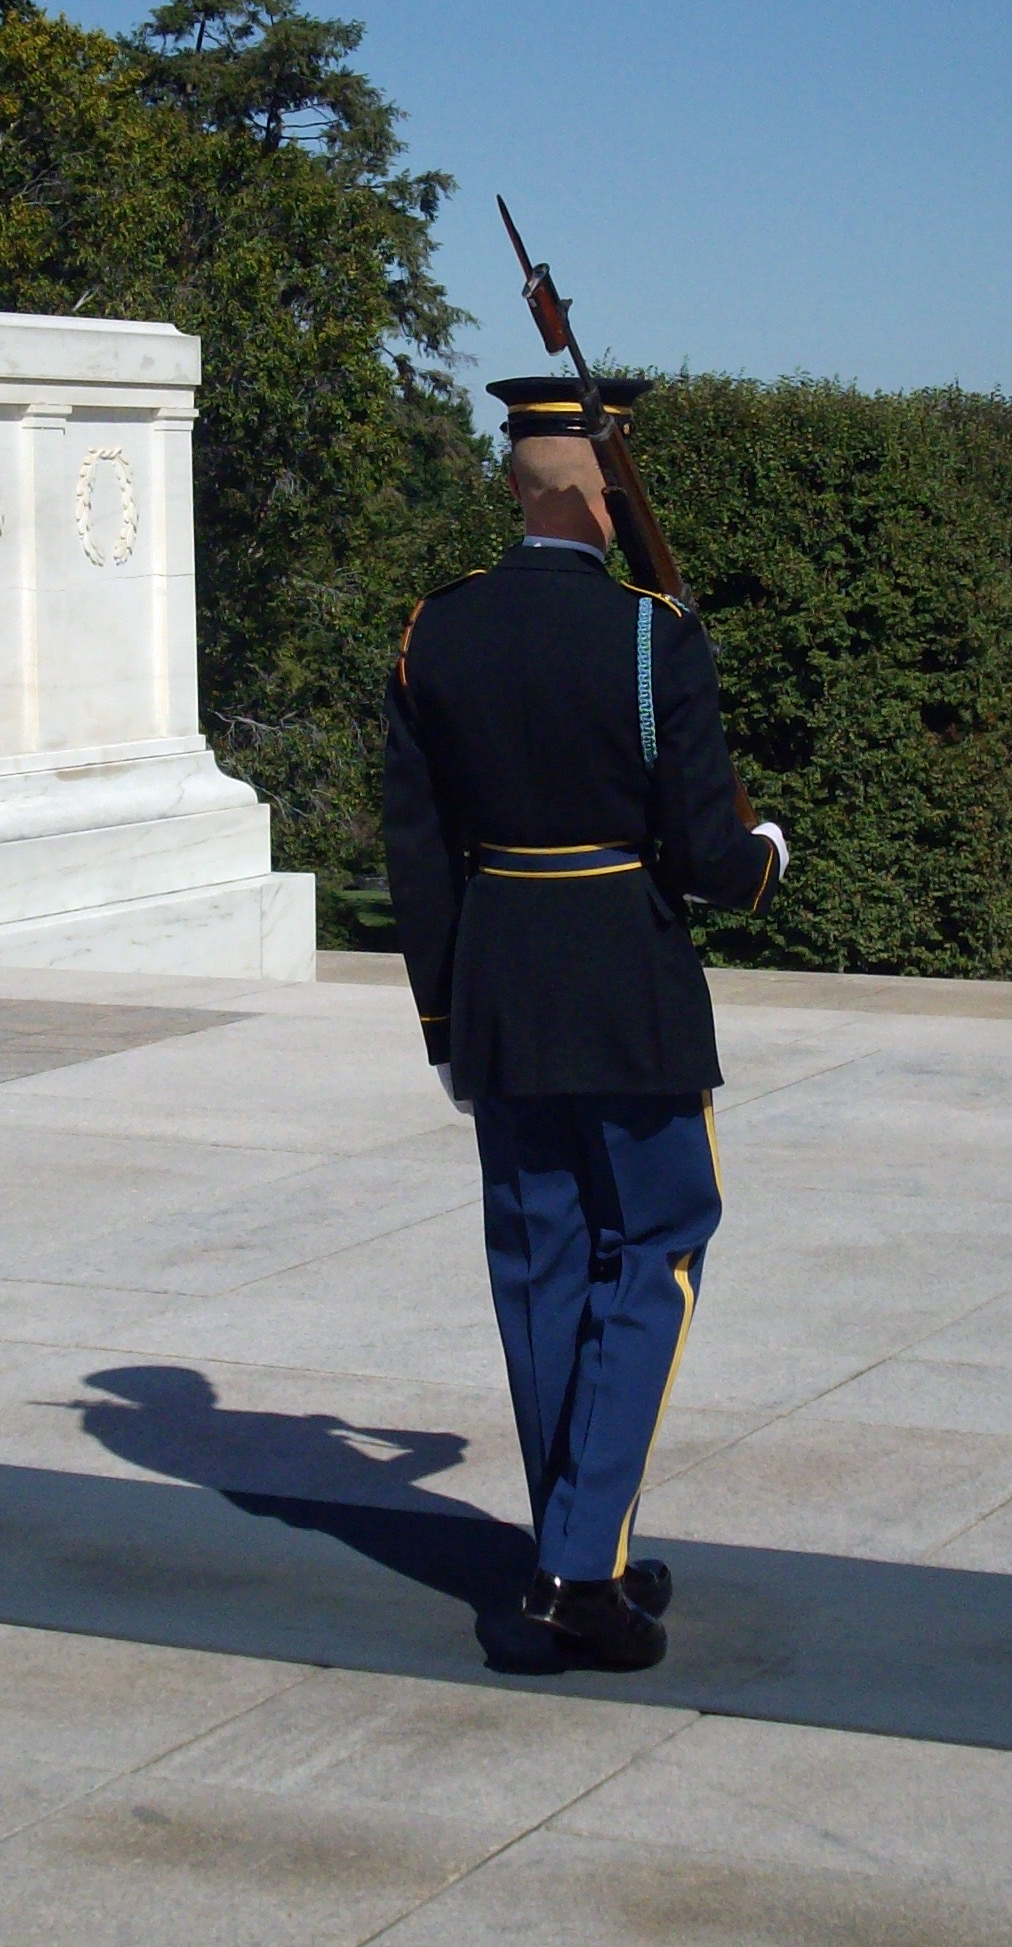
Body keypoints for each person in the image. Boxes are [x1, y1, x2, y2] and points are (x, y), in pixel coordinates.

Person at [380, 376, 788, 1671]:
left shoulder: (435, 630)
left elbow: (417, 852)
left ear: (515, 482)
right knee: (658, 1246)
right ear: (600, 492)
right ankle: (574, 1571)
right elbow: (711, 856)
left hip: (500, 987)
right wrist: (769, 854)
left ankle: (584, 1545)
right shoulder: (651, 635)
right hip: (624, 981)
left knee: (541, 1264)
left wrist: (446, 1021)